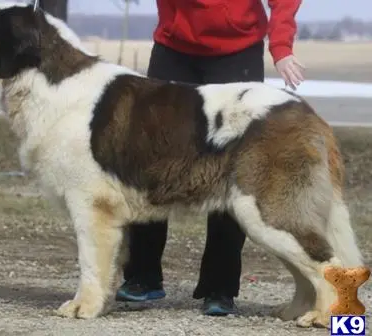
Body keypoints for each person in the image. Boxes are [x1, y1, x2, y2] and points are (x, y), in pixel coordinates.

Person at [116, 0, 305, 316]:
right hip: (173, 50)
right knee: (152, 159)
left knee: (230, 168)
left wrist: (282, 46)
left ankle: (220, 287)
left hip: (236, 52)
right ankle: (142, 277)